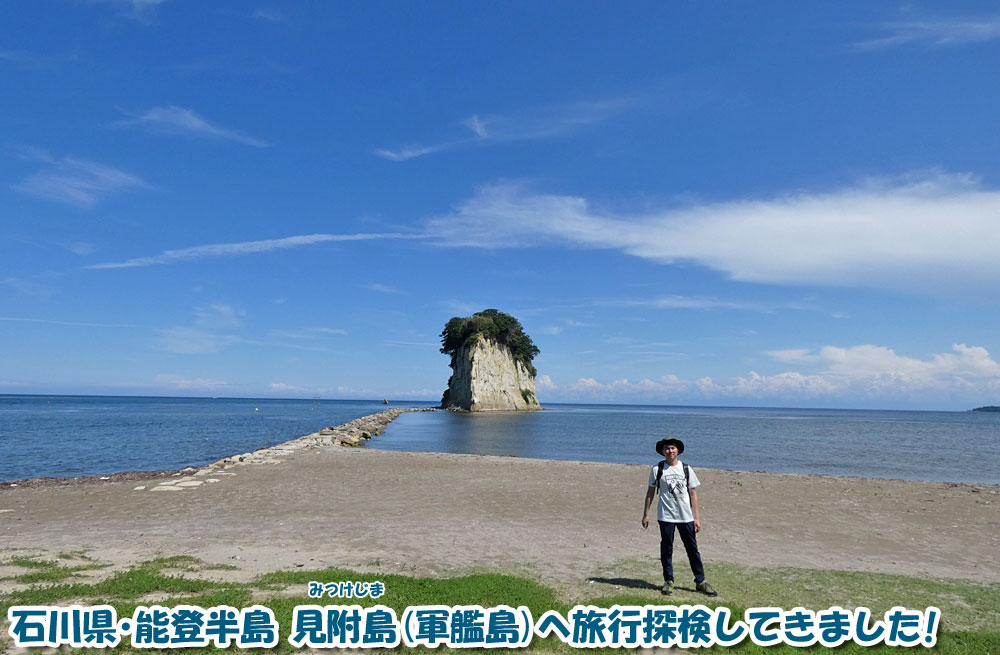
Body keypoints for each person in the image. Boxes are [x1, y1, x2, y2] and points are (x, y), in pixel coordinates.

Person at [641, 437, 717, 596]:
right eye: (667, 449)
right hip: (665, 516)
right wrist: (646, 514)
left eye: (673, 448)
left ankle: (700, 581)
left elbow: (693, 494)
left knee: (692, 549)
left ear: (678, 450)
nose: (670, 451)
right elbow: (650, 493)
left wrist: (697, 518)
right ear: (662, 451)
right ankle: (668, 581)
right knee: (666, 549)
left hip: (686, 516)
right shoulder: (657, 469)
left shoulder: (686, 469)